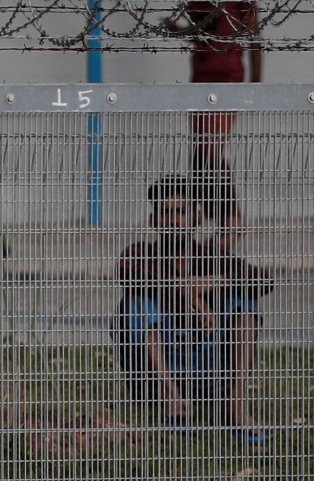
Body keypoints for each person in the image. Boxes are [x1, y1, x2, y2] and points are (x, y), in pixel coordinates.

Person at [112, 174, 272, 445]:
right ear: (153, 221)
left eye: (181, 212)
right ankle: (172, 399)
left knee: (244, 301)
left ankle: (237, 404)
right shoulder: (140, 254)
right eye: (166, 213)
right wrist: (188, 294)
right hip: (158, 375)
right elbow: (128, 271)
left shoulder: (212, 258)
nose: (174, 221)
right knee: (135, 301)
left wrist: (216, 282)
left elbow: (263, 280)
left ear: (197, 217)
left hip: (209, 368)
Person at [164, 0, 262, 240]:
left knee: (209, 151)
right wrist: (178, 30)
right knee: (201, 153)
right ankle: (216, 217)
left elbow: (254, 36)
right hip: (201, 77)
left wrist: (256, 85)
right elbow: (200, 33)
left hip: (227, 78)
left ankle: (230, 219)